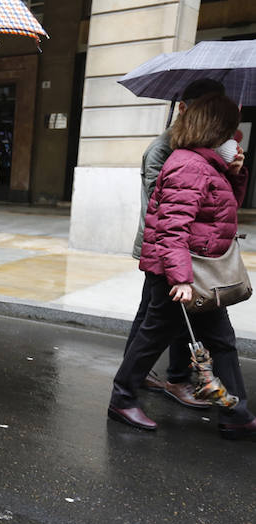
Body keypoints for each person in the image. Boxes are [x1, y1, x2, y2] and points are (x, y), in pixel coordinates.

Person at [108, 92, 255, 440]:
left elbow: (221, 211)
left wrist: (235, 173)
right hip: (180, 274)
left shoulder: (205, 165)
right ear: (216, 128)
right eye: (231, 131)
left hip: (198, 270)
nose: (235, 139)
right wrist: (181, 278)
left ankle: (236, 414)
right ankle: (122, 398)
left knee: (222, 340)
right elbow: (171, 227)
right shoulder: (189, 165)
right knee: (154, 334)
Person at [126, 79, 226, 409]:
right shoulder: (164, 149)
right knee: (162, 318)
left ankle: (133, 378)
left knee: (154, 317)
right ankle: (158, 380)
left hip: (181, 248)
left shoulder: (198, 149)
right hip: (167, 248)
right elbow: (170, 208)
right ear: (184, 109)